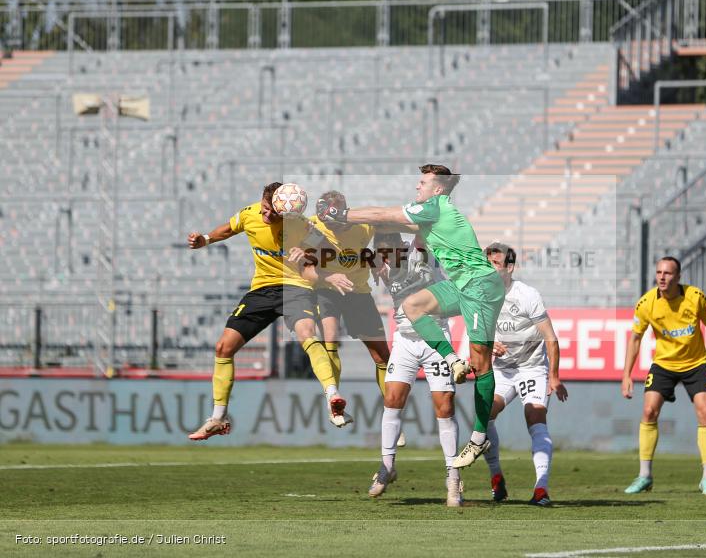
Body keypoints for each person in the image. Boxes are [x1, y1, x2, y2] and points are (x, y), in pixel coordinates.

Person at [317, 164, 505, 469]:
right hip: (461, 285)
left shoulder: (434, 207)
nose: (418, 186)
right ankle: (452, 359)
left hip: (479, 285)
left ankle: (479, 436)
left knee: (481, 363)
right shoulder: (431, 216)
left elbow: (383, 215)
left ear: (438, 189)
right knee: (412, 306)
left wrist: (341, 214)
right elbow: (393, 228)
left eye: (423, 182)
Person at [186, 182, 354, 440]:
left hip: (295, 287)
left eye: (272, 212)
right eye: (265, 208)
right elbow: (228, 229)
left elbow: (328, 248)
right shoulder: (250, 214)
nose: (266, 215)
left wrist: (307, 251)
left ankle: (332, 397)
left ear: (284, 211)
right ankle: (218, 418)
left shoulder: (299, 225)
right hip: (262, 290)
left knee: (307, 335)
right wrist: (205, 240)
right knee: (223, 348)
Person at [367, 233, 463, 506]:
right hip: (404, 340)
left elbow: (422, 229)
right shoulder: (380, 263)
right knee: (392, 399)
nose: (385, 256)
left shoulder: (418, 250)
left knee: (444, 406)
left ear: (400, 244)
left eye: (388, 250)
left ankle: (453, 476)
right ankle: (387, 467)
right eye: (381, 252)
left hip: (435, 337)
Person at [621, 256, 706, 497]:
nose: (662, 277)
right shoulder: (646, 303)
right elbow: (635, 339)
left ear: (678, 277)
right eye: (659, 272)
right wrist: (626, 374)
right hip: (664, 364)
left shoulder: (695, 297)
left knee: (705, 411)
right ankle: (645, 476)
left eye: (667, 273)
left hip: (696, 364)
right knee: (649, 411)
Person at [481, 243, 568, 507]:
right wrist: (489, 345)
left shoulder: (527, 295)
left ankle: (541, 488)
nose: (489, 270)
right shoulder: (481, 296)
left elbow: (550, 338)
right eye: (487, 264)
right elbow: (477, 336)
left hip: (532, 367)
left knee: (534, 415)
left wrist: (554, 377)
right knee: (484, 415)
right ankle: (496, 477)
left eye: (495, 264)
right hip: (503, 369)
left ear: (509, 268)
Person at [309, 191, 392, 400]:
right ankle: (333, 399)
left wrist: (379, 254)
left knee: (382, 356)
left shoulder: (362, 225)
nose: (330, 227)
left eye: (333, 222)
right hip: (326, 290)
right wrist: (329, 277)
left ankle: (392, 409)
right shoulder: (313, 227)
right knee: (330, 340)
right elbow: (304, 269)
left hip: (358, 291)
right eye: (325, 223)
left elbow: (385, 224)